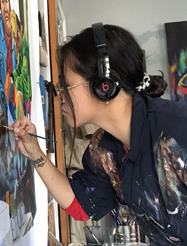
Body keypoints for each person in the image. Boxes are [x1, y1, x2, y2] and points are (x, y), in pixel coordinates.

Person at [12, 23, 187, 245]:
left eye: (66, 85)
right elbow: (80, 206)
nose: (59, 95)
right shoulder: (105, 149)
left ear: (104, 86)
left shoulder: (177, 133)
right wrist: (34, 152)